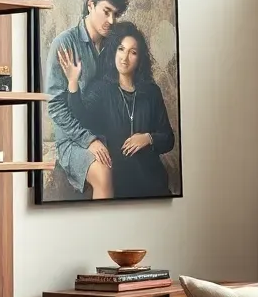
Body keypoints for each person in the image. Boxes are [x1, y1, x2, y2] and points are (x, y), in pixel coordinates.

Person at [58, 21, 175, 199]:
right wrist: (73, 82)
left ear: (140, 59)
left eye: (132, 52)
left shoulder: (151, 92)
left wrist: (148, 138)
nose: (124, 58)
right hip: (121, 183)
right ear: (114, 50)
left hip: (153, 182)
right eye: (121, 49)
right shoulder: (101, 89)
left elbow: (168, 138)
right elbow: (82, 119)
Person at [45, 0, 128, 199]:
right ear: (90, 5)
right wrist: (89, 140)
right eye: (106, 12)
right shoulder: (65, 43)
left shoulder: (115, 45)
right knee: (103, 172)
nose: (111, 21)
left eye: (115, 15)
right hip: (73, 139)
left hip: (108, 131)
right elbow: (56, 107)